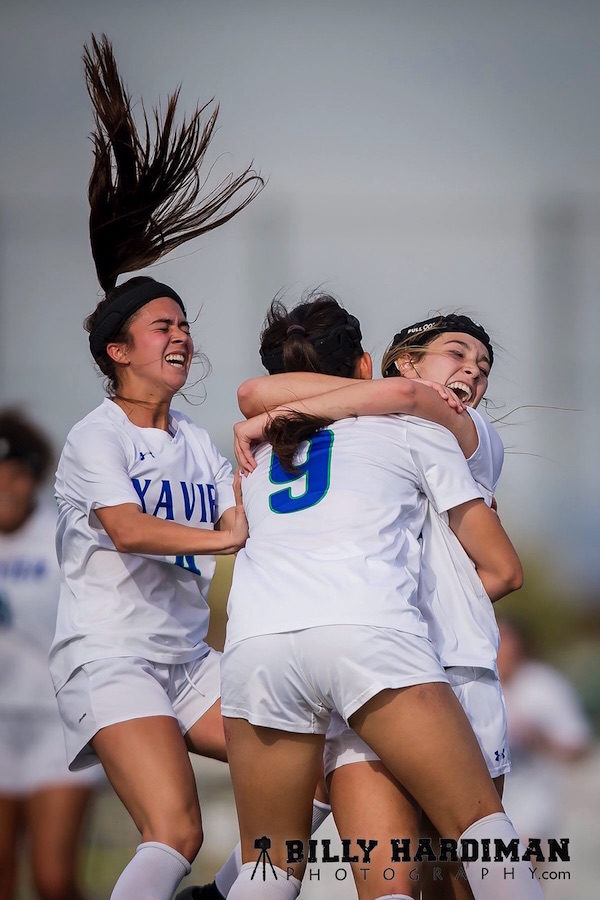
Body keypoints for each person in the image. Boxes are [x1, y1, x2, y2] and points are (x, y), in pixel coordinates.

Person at [219, 295, 543, 900]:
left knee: (290, 866)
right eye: (457, 354)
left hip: (313, 654)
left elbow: (254, 395)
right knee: (454, 857)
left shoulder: (461, 430)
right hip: (389, 657)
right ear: (390, 364)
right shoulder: (410, 432)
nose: (473, 371)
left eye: (483, 365)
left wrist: (269, 418)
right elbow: (502, 569)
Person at [48, 35, 261, 900]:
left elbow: (248, 521)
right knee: (175, 829)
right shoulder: (93, 436)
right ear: (117, 350)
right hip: (112, 659)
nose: (180, 337)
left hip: (189, 660)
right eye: (161, 327)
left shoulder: (199, 444)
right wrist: (226, 534)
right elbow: (129, 531)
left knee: (320, 788)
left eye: (183, 324)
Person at [0, 410, 103, 900]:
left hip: (55, 724)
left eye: (13, 475)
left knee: (52, 879)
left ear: (32, 476)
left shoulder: (60, 538)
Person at [497, 617, 591, 840]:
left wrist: (538, 738)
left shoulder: (542, 685)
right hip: (482, 805)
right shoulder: (471, 685)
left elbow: (578, 748)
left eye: (504, 641)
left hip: (536, 806)